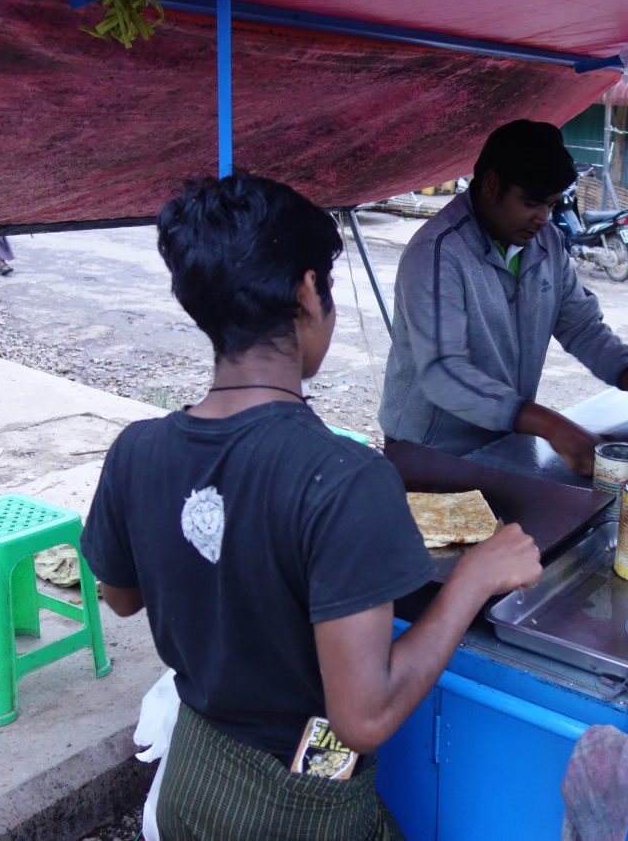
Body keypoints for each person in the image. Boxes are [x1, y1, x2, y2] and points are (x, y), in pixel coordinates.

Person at [81, 173, 542, 839]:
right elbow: (364, 716)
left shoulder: (136, 450)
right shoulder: (345, 477)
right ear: (307, 291)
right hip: (295, 813)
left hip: (191, 786)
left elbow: (120, 595)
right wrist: (473, 578)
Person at [379, 120, 628, 474]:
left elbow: (581, 326)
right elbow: (443, 371)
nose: (542, 218)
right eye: (531, 202)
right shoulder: (438, 253)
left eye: (550, 205)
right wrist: (547, 424)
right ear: (491, 184)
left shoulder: (547, 244)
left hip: (501, 441)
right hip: (429, 451)